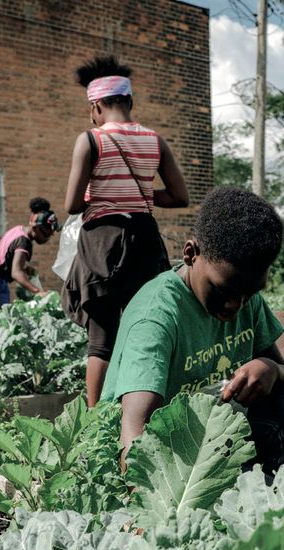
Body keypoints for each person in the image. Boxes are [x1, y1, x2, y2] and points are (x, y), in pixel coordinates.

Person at [100, 188, 284, 474]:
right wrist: (149, 508)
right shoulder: (155, 317)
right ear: (191, 254)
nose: (235, 305)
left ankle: (269, 502)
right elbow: (135, 427)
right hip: (157, 453)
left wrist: (268, 367)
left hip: (209, 439)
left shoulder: (244, 297)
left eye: (249, 293)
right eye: (222, 290)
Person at [62, 55, 189, 407]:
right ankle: (147, 407)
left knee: (101, 337)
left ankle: (94, 418)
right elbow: (180, 196)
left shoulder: (90, 140)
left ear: (97, 105)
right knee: (144, 326)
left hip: (102, 241)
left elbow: (72, 204)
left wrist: (100, 193)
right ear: (129, 101)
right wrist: (142, 193)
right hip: (145, 240)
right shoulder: (155, 141)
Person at [0, 197, 59, 311]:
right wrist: (38, 292)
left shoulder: (18, 230)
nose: (47, 238)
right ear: (36, 228)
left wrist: (25, 268)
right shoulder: (24, 243)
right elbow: (16, 273)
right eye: (47, 235)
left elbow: (5, 255)